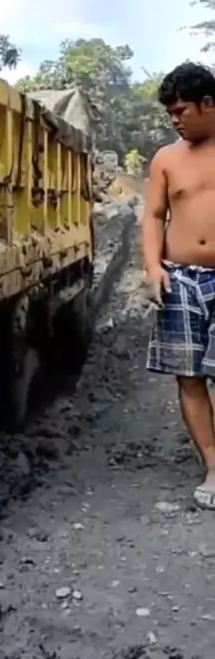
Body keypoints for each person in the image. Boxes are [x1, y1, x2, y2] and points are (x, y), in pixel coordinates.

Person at [142, 62, 215, 509]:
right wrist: (153, 267)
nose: (175, 119)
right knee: (189, 376)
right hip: (181, 278)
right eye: (170, 112)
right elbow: (153, 216)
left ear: (208, 104)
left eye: (181, 110)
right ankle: (214, 466)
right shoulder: (166, 159)